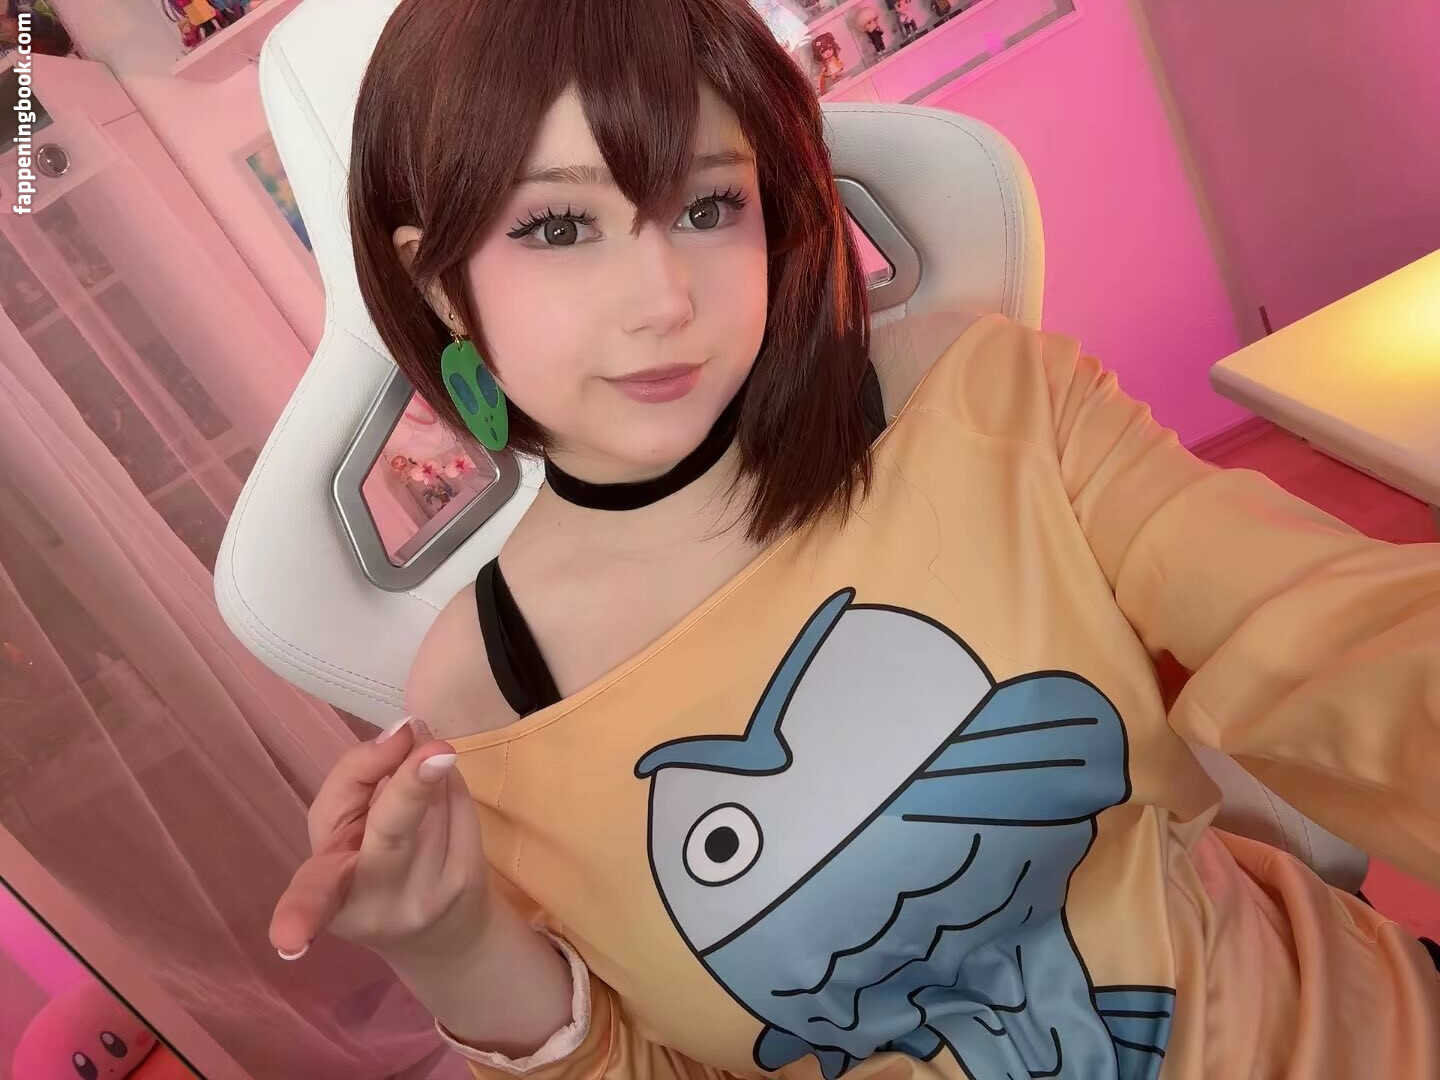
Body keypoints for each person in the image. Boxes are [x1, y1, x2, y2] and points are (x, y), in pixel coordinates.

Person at [268, 1, 1440, 1078]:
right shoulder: (482, 699)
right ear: (438, 283)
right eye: (561, 224)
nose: (663, 297)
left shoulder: (978, 398)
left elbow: (1323, 636)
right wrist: (463, 951)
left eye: (708, 206)